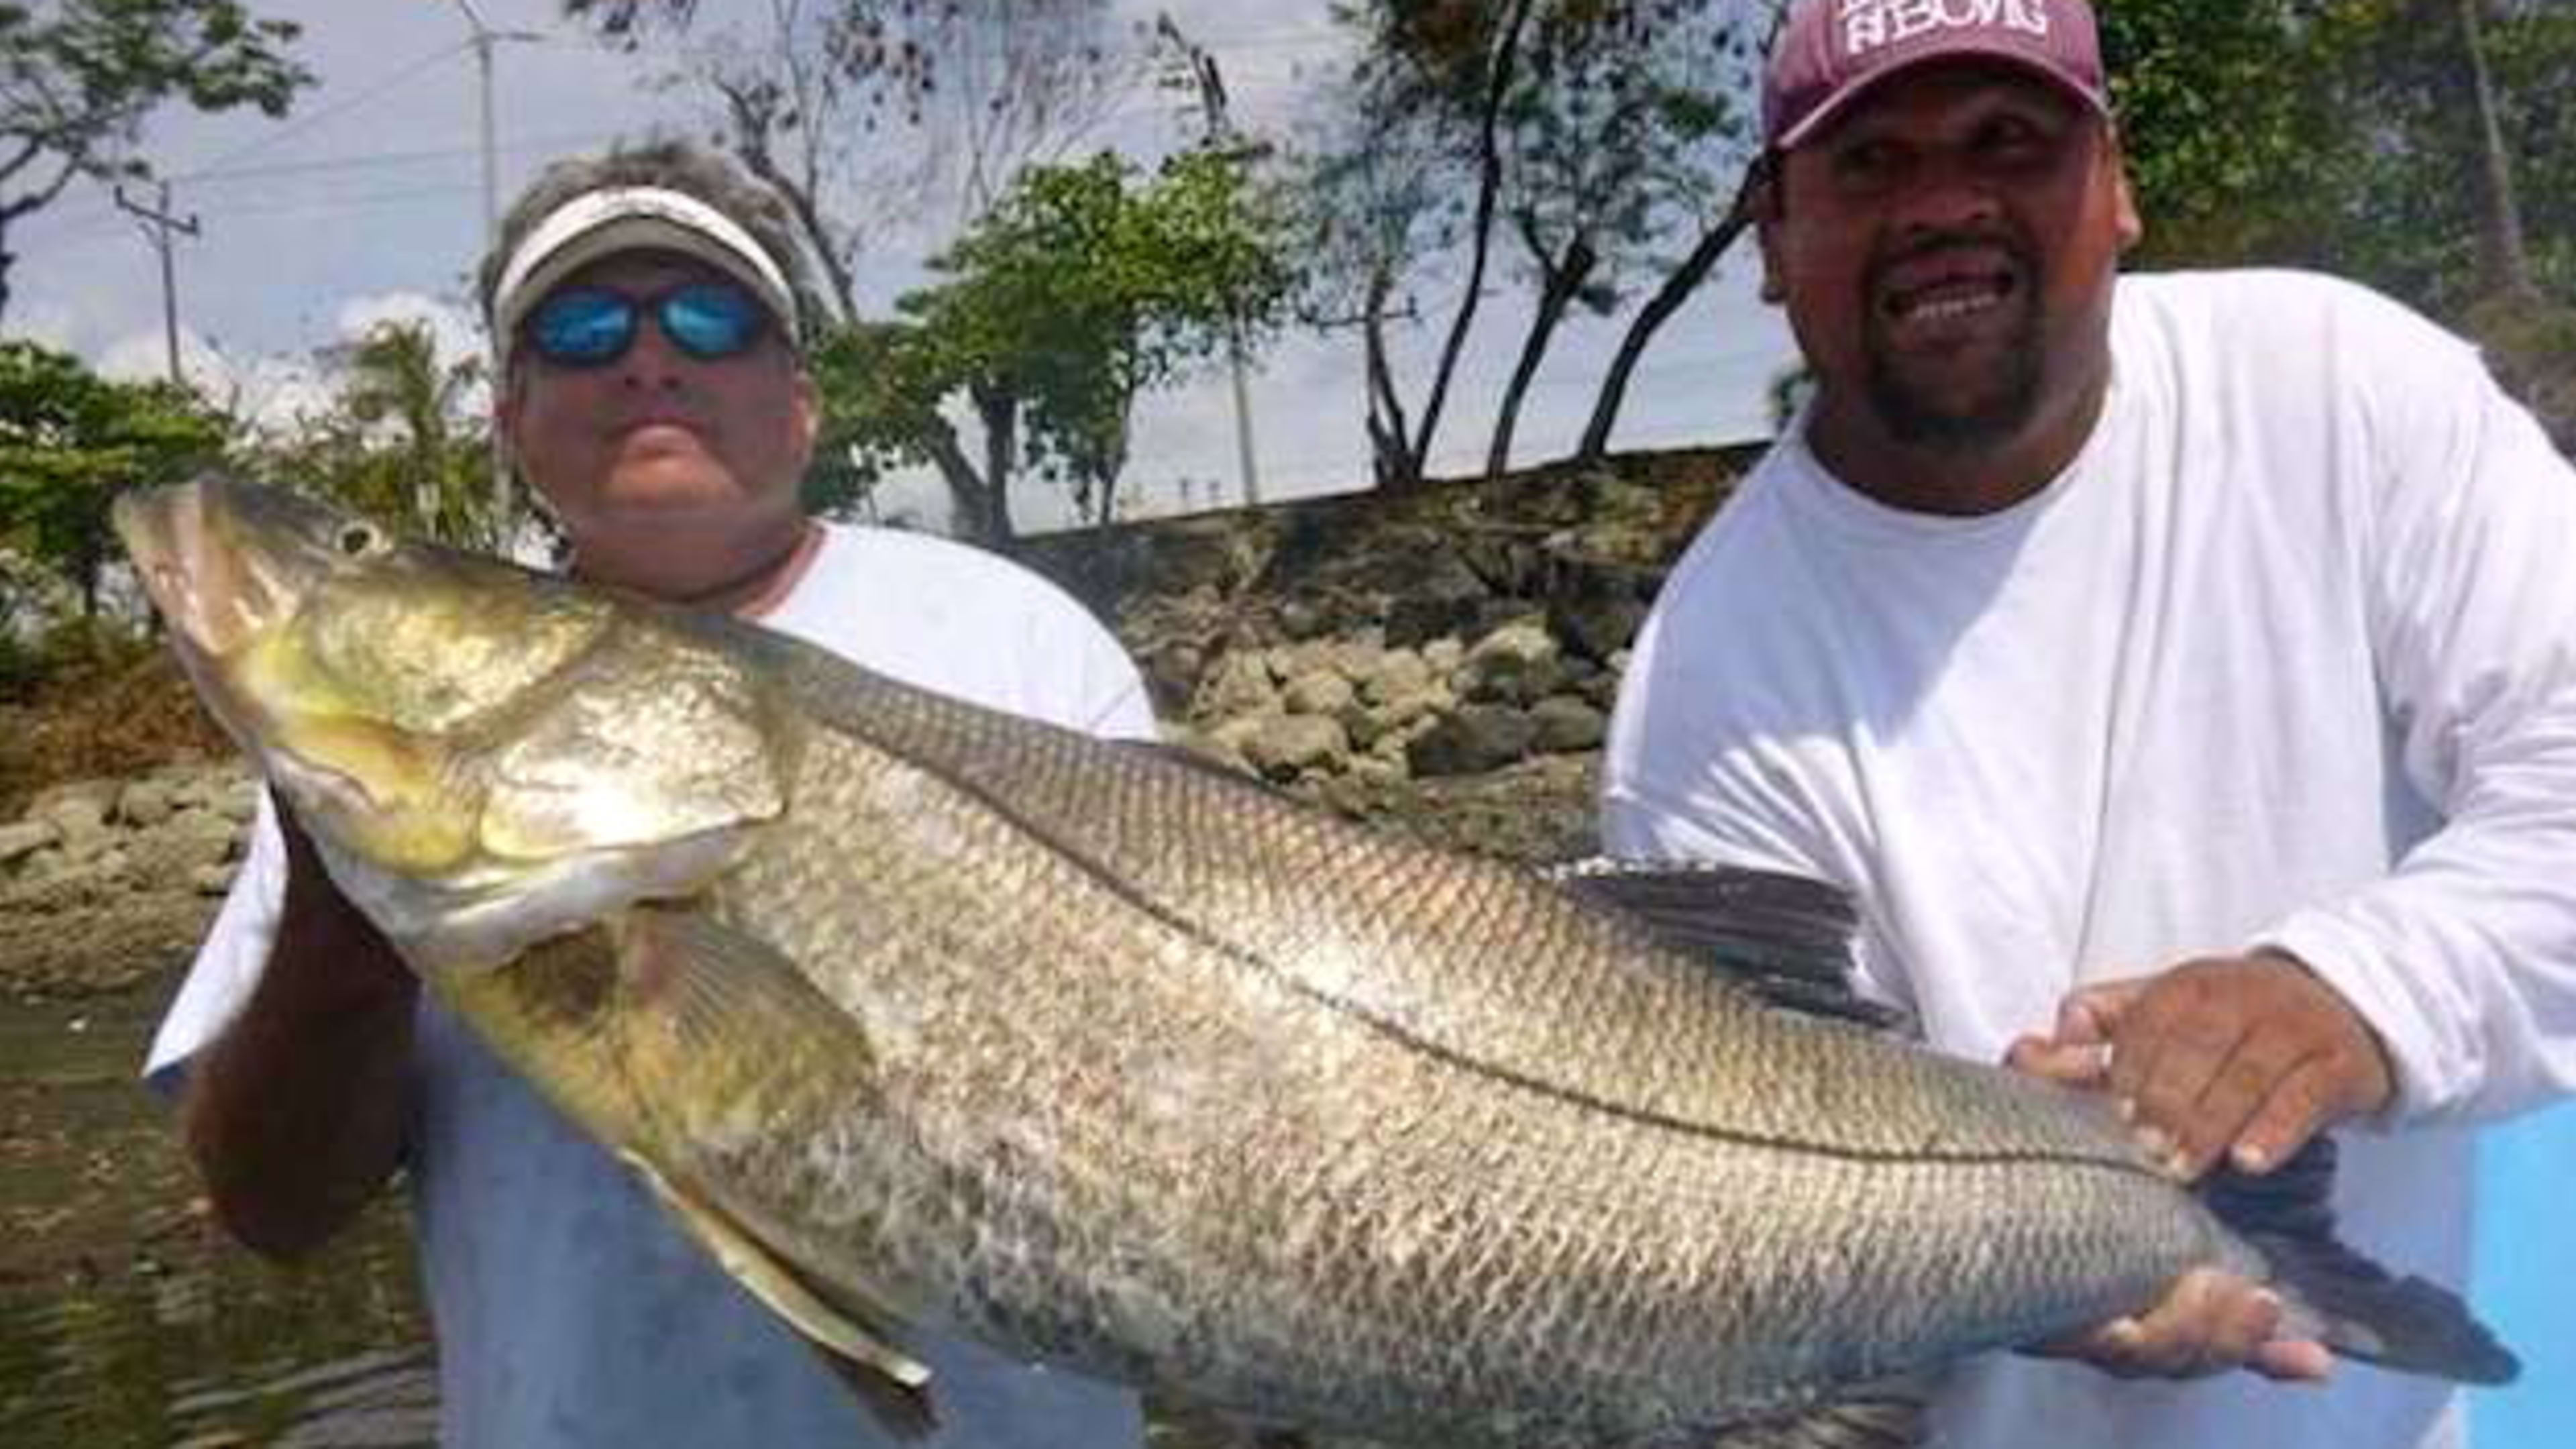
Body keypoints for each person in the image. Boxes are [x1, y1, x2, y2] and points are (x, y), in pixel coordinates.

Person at [1601, 2, 2576, 1447]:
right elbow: (1740, 1205)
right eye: (1868, 162)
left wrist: (2347, 997)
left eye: (2008, 140)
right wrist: (2017, 1222)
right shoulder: (1704, 678)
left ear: (2116, 184)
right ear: (1771, 238)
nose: (1943, 206)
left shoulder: (2351, 393)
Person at [146, 140, 1158, 1449]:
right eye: (577, 328)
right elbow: (275, 1209)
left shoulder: (1021, 638)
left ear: (800, 402)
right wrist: (352, 918)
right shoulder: (366, 773)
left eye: (707, 315)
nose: (646, 359)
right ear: (511, 421)